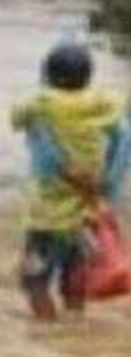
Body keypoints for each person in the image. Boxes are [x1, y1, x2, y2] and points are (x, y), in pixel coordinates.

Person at [11, 43, 126, 320]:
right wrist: (109, 183)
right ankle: (75, 332)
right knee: (75, 282)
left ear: (49, 77)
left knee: (34, 280)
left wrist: (42, 90)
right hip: (85, 216)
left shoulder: (42, 107)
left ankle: (46, 332)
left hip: (45, 219)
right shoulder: (101, 107)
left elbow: (16, 117)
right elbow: (125, 140)